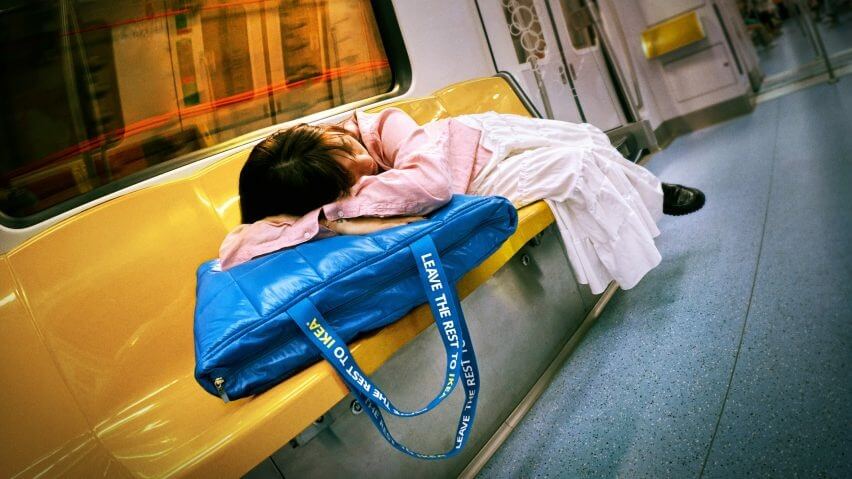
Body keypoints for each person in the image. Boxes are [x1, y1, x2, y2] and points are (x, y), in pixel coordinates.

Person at [220, 108, 705, 294]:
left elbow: (430, 182)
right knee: (578, 159)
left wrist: (336, 205)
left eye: (347, 147)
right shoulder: (310, 198)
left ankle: (650, 192)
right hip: (476, 177)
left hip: (480, 139)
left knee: (589, 139)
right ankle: (652, 193)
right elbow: (236, 249)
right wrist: (324, 213)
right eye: (351, 173)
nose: (364, 158)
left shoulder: (379, 124)